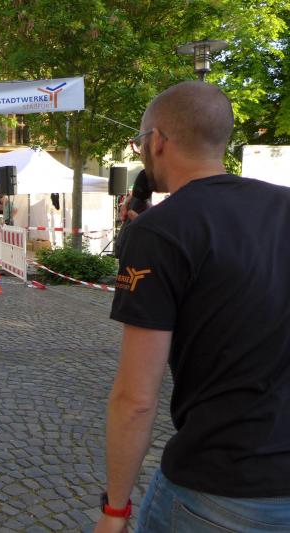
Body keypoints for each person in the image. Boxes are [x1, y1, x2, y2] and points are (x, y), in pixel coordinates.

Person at [95, 81, 290, 533]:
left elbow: (135, 399)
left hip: (220, 486)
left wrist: (115, 510)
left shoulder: (159, 232)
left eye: (140, 141)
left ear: (158, 141)